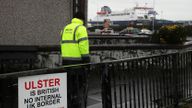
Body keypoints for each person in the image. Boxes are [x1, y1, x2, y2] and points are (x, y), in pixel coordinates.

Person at [60, 11, 90, 108]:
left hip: (66, 62)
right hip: (77, 63)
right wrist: (86, 60)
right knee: (78, 85)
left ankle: (69, 102)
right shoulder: (81, 28)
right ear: (82, 19)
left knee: (69, 84)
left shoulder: (65, 28)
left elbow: (62, 44)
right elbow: (83, 46)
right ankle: (76, 104)